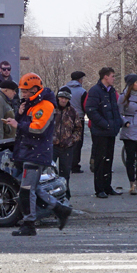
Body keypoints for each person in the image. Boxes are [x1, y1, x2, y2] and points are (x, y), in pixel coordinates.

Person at [5, 73, 69, 235]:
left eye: (25, 91)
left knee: (27, 190)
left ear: (35, 89)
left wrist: (17, 124)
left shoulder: (45, 105)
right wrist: (20, 114)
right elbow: (29, 125)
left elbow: (38, 129)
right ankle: (60, 209)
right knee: (34, 188)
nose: (23, 94)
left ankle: (29, 224)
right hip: (29, 151)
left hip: (35, 152)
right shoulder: (33, 104)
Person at [85, 67, 123, 198]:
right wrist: (105, 124)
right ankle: (99, 188)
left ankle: (107, 186)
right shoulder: (95, 91)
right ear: (105, 77)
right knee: (100, 160)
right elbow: (91, 110)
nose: (114, 78)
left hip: (110, 131)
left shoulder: (111, 91)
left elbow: (115, 110)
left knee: (109, 159)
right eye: (112, 76)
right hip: (100, 131)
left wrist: (117, 123)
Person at [52, 86, 81, 199]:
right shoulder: (51, 109)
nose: (63, 100)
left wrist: (72, 139)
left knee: (65, 175)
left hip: (67, 148)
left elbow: (78, 128)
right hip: (52, 147)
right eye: (61, 97)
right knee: (50, 174)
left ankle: (65, 197)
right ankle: (50, 198)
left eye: (66, 98)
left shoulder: (73, 112)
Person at [64, 71, 88, 173]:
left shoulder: (64, 89)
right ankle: (74, 165)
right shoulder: (82, 91)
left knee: (65, 141)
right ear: (79, 80)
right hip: (79, 119)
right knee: (77, 142)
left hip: (65, 118)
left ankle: (65, 163)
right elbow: (85, 106)